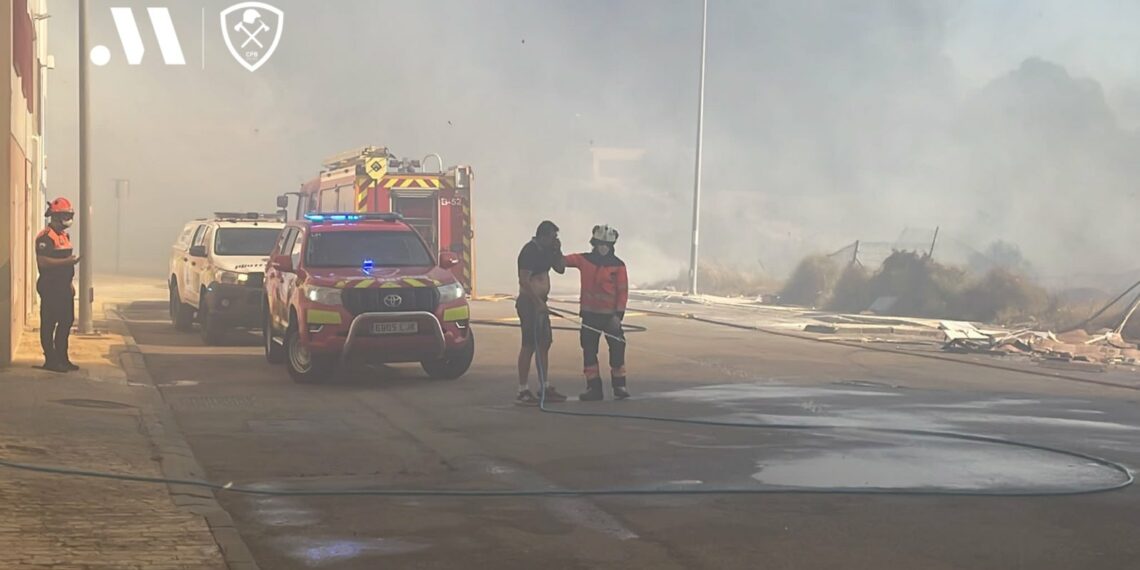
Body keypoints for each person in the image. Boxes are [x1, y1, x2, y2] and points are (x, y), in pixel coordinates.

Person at [563, 224, 630, 401]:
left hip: (610, 318)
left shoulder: (618, 266)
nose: (603, 248)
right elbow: (563, 261)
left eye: (606, 245)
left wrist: (618, 316)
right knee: (589, 351)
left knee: (617, 349)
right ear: (594, 243)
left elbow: (623, 292)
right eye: (600, 244)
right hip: (589, 316)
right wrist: (553, 252)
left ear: (611, 246)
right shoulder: (584, 260)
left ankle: (620, 386)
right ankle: (594, 388)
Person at [515, 220, 569, 405]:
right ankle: (523, 390)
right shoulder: (529, 251)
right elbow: (524, 280)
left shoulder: (549, 251)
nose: (555, 239)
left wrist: (558, 250)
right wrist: (537, 302)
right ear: (543, 236)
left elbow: (561, 269)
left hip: (541, 303)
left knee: (544, 343)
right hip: (529, 303)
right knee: (529, 344)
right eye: (553, 237)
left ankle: (544, 386)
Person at [35, 198, 81, 373]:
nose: (68, 219)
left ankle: (62, 358)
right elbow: (43, 262)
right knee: (49, 323)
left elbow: (65, 264)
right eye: (65, 215)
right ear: (55, 216)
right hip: (50, 287)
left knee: (66, 322)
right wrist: (66, 262)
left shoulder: (64, 236)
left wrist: (69, 284)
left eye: (70, 215)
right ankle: (51, 360)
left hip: (63, 287)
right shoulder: (45, 237)